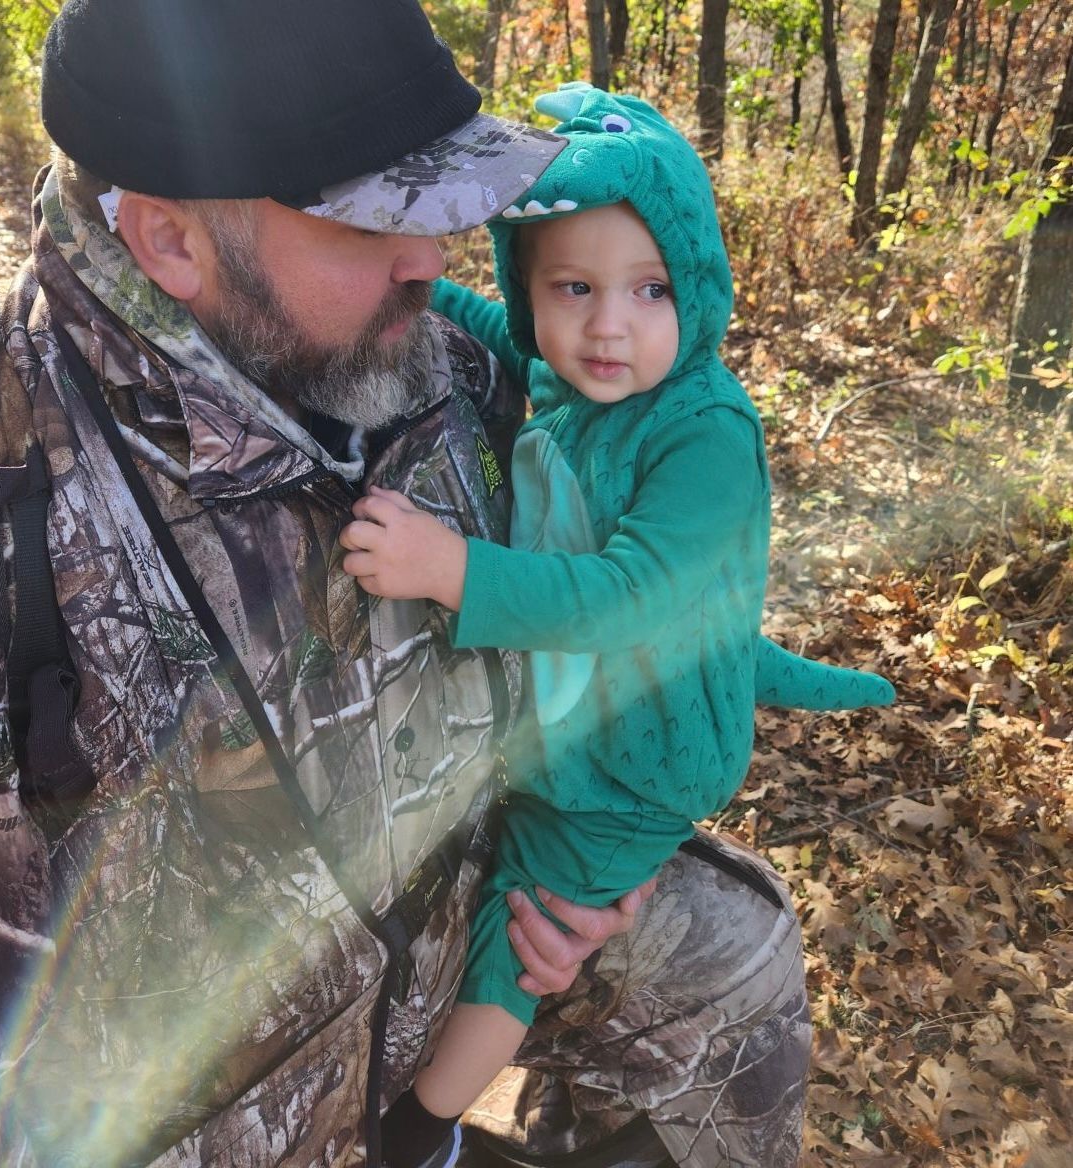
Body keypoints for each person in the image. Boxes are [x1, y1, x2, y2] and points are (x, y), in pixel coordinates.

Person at [0, 5, 817, 1168]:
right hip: (205, 1100)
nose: (432, 255)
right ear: (172, 242)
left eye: (439, 199)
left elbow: (620, 605)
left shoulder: (454, 366)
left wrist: (593, 860)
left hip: (449, 944)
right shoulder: (24, 487)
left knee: (732, 955)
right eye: (377, 213)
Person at [342, 86, 895, 1168]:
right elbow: (499, 328)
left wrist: (448, 568)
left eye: (649, 289)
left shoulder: (700, 433)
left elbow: (636, 595)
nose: (607, 325)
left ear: (696, 285)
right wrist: (411, 283)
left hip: (634, 762)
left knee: (526, 927)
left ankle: (418, 1131)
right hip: (573, 726)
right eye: (573, 287)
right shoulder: (571, 368)